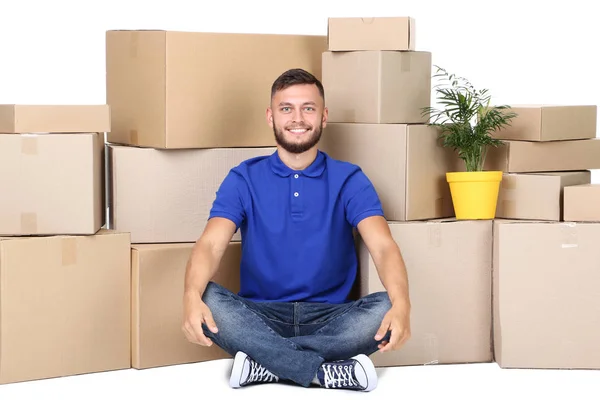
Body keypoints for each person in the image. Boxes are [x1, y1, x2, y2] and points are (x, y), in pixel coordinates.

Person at [182, 68, 411, 392]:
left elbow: (384, 247)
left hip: (332, 318)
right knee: (204, 294)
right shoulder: (243, 178)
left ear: (324, 116)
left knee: (390, 304)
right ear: (270, 116)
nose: (297, 118)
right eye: (286, 108)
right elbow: (210, 245)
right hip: (259, 316)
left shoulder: (350, 179)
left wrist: (403, 305)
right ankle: (320, 372)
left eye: (308, 108)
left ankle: (267, 366)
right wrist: (190, 296)